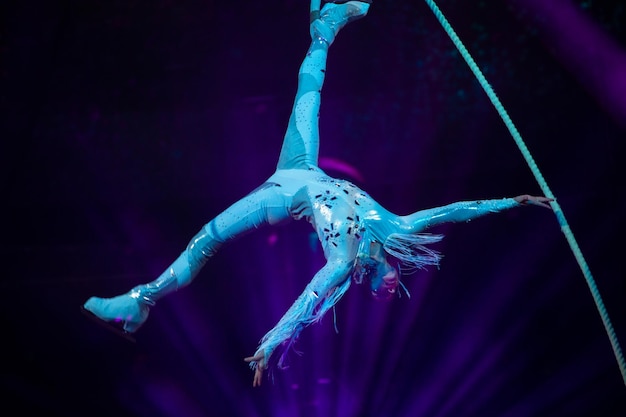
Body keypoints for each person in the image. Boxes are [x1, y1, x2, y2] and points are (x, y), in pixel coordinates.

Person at [82, 0, 553, 387]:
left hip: (277, 198)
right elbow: (453, 212)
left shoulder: (344, 261)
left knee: (206, 240)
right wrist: (513, 202)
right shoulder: (395, 226)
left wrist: (269, 344)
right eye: (393, 288)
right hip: (301, 165)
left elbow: (309, 301)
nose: (390, 288)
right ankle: (325, 27)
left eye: (380, 292)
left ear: (368, 281)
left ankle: (138, 302)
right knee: (310, 89)